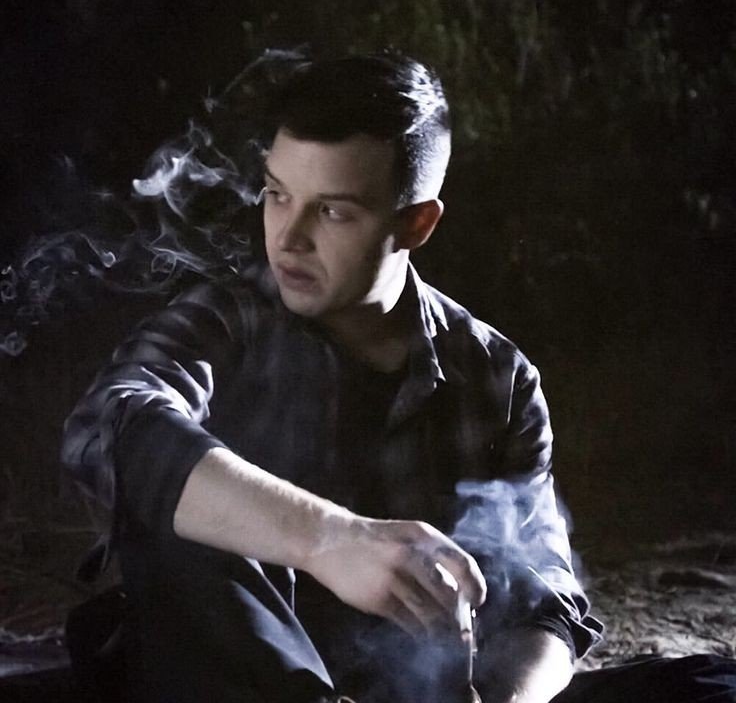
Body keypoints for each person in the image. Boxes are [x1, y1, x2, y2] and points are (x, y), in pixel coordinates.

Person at [61, 53, 736, 703]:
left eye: (332, 211)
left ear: (415, 223)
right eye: (277, 195)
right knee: (184, 521)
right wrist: (330, 540)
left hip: (414, 689)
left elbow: (545, 602)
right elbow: (111, 424)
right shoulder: (228, 321)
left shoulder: (495, 377)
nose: (288, 237)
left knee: (712, 685)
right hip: (238, 673)